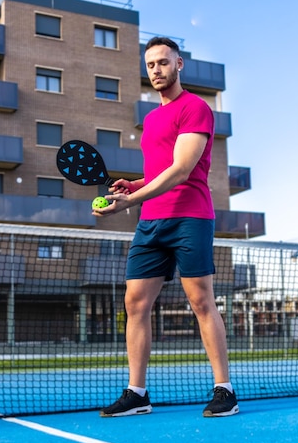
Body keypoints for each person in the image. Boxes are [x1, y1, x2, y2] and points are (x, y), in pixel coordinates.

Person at [93, 36, 239, 418]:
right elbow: (160, 171)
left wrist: (132, 200)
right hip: (151, 222)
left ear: (179, 65)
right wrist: (136, 186)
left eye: (163, 62)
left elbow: (182, 170)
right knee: (135, 303)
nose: (156, 70)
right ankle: (137, 393)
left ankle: (225, 390)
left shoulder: (196, 108)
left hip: (190, 217)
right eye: (151, 65)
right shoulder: (152, 118)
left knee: (201, 301)